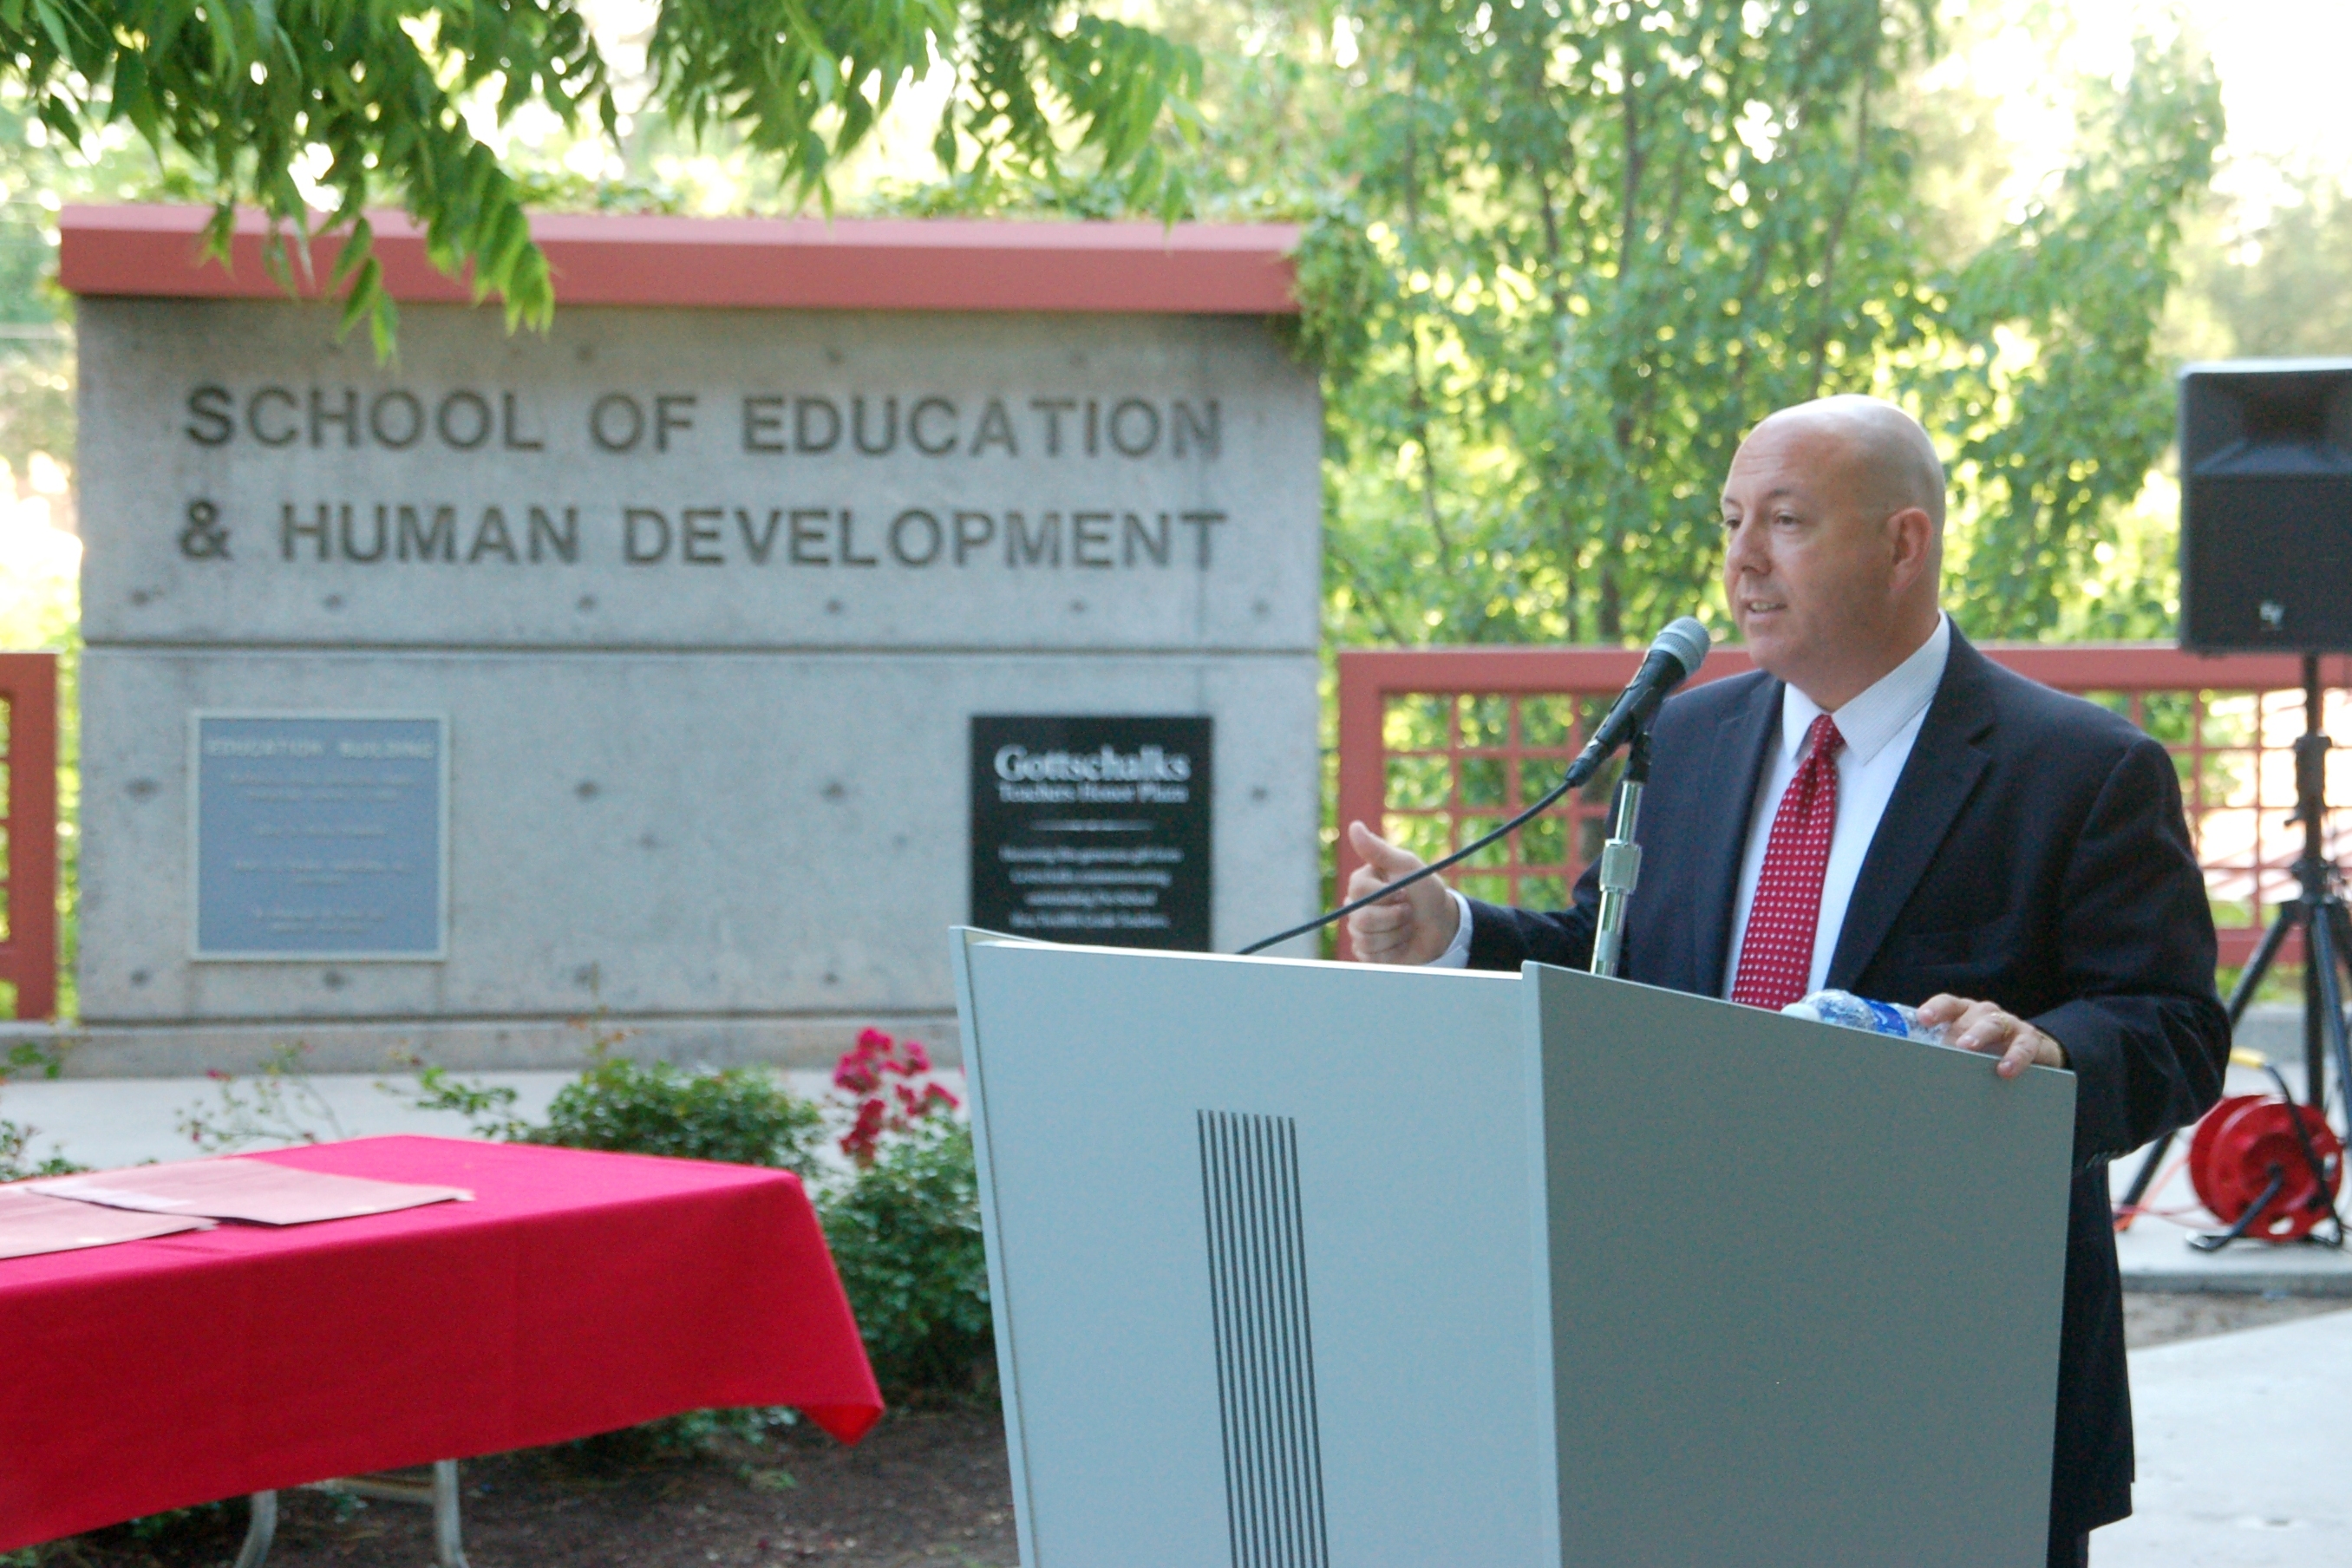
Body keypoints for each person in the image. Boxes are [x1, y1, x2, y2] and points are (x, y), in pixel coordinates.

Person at [1344, 395, 2228, 1566]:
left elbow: (2173, 1026)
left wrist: (2053, 1048)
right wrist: (1451, 929)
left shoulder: (2080, 769)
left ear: (1903, 544)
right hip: (1690, 1337)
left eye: (1787, 521)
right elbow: (1614, 961)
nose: (1742, 561)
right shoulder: (1686, 740)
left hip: (1953, 1370)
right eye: (1730, 522)